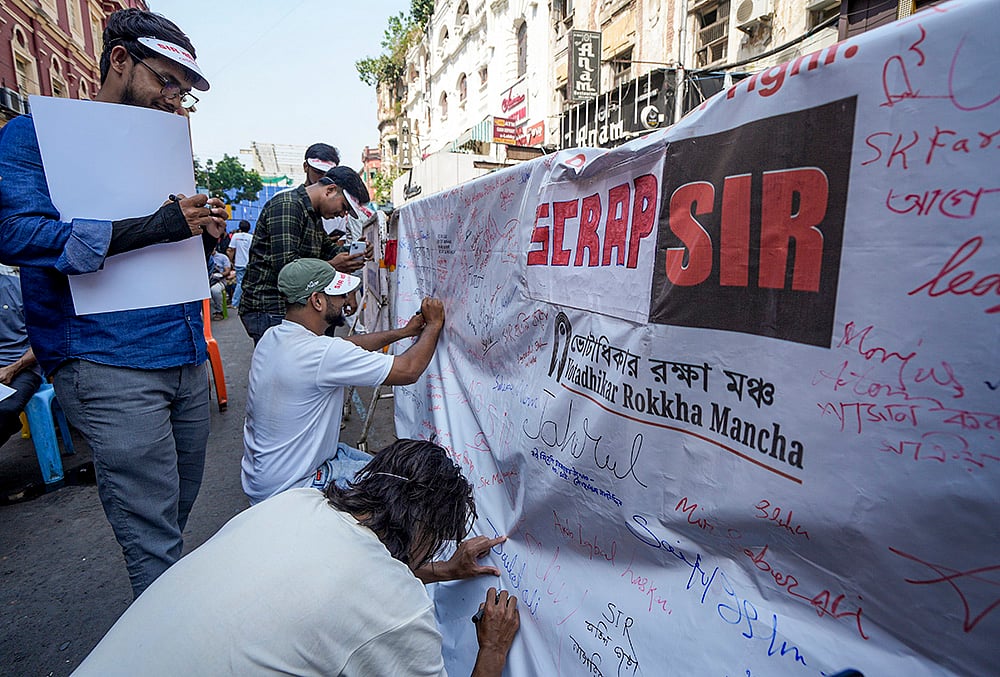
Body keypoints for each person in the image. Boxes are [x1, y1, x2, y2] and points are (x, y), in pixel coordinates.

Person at [0, 8, 227, 598]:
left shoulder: (164, 147)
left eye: (184, 92)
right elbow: (17, 233)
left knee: (172, 512)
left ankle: (158, 621)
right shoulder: (34, 135)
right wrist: (152, 227)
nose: (174, 99)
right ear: (120, 61)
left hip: (182, 352)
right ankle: (170, 645)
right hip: (107, 361)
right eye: (166, 81)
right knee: (152, 536)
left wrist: (204, 235)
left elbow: (173, 255)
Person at [72, 439, 520, 676]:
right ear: (427, 529)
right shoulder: (397, 606)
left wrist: (440, 570)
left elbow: (338, 580)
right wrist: (494, 648)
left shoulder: (294, 504)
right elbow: (374, 592)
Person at [242, 258, 444, 505]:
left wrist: (403, 333)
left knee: (390, 467)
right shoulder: (320, 354)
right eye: (338, 295)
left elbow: (345, 346)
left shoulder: (273, 337)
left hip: (265, 479)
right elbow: (408, 370)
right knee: (408, 491)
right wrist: (434, 324)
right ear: (317, 301)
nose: (346, 301)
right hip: (296, 485)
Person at [238, 166, 371, 344]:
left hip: (286, 307)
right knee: (287, 369)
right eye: (344, 207)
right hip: (270, 307)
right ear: (330, 190)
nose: (342, 214)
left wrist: (353, 253)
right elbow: (288, 269)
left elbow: (329, 249)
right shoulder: (288, 206)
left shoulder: (313, 215)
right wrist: (334, 265)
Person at [0, 273, 42, 446]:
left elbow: (45, 341)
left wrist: (13, 368)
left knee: (4, 410)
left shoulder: (20, 288)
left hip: (21, 366)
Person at [225, 219, 252, 308]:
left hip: (239, 263)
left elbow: (231, 250)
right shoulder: (251, 237)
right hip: (249, 263)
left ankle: (235, 303)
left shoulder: (236, 236)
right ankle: (248, 302)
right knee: (249, 283)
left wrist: (230, 261)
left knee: (240, 283)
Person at [208, 250, 233, 320]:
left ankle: (219, 311)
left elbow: (227, 270)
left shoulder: (222, 257)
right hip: (206, 280)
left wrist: (220, 275)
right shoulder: (203, 256)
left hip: (219, 280)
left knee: (215, 290)